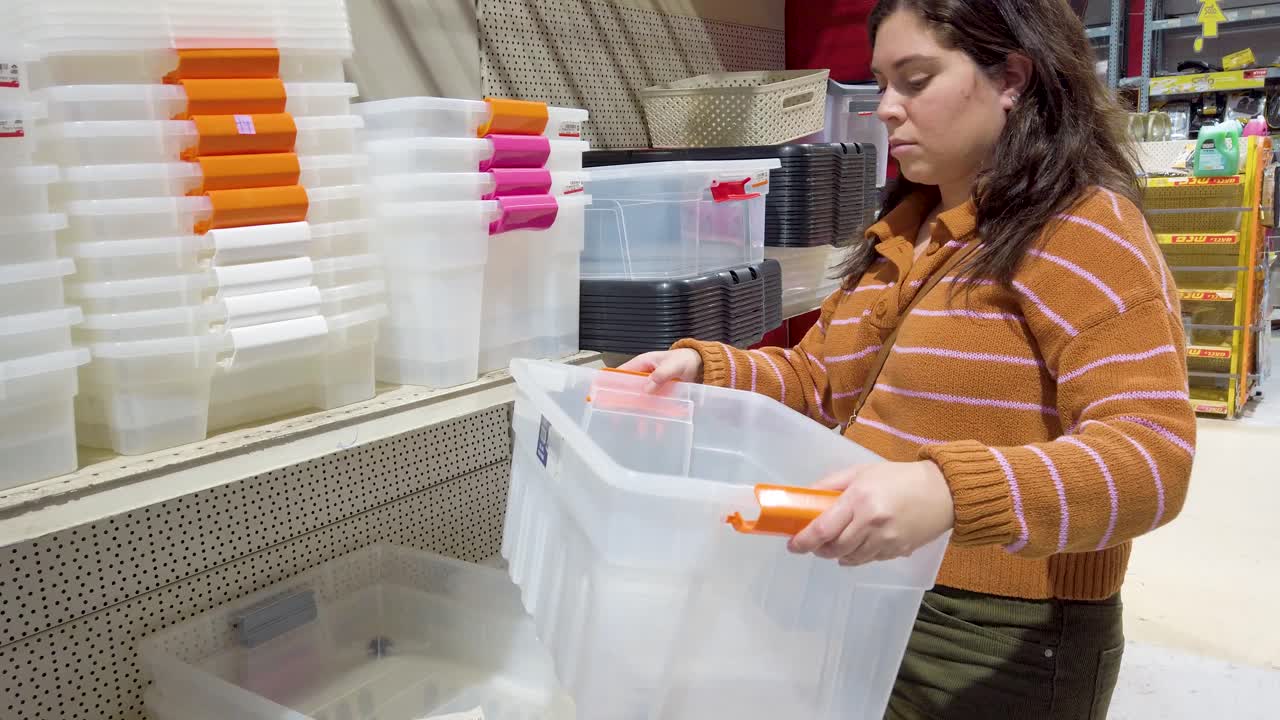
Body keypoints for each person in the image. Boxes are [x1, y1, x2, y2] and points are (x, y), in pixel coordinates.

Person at [623, 0, 1196, 718]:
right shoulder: (905, 231)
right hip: (871, 591)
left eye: (916, 79)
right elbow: (819, 378)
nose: (887, 109)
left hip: (998, 632)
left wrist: (948, 493)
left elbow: (1152, 460)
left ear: (1012, 77)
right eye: (882, 82)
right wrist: (703, 370)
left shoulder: (1084, 231)